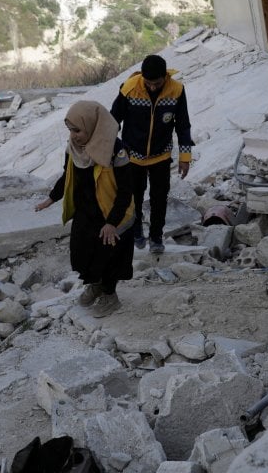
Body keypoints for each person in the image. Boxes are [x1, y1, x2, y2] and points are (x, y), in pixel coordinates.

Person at [34, 101, 138, 318]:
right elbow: (67, 175)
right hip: (85, 212)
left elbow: (127, 191)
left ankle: (110, 296)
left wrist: (112, 223)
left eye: (77, 130)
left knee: (109, 257)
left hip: (111, 213)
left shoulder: (116, 151)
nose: (73, 136)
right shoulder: (73, 149)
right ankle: (95, 286)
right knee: (83, 254)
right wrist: (52, 199)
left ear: (92, 126)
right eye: (70, 130)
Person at [110, 54, 194, 255]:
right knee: (134, 197)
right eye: (149, 83)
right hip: (132, 156)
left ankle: (156, 237)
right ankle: (136, 230)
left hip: (161, 156)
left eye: (157, 83)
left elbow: (183, 127)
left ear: (165, 77)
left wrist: (185, 158)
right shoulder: (129, 88)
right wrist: (113, 151)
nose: (153, 87)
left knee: (159, 198)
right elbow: (113, 121)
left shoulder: (177, 90)